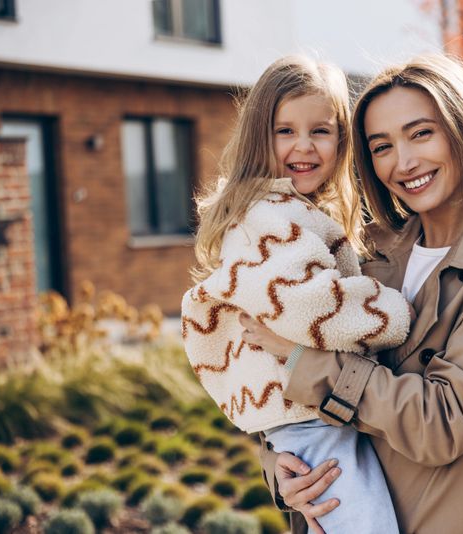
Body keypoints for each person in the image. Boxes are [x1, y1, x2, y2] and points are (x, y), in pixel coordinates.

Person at [241, 54, 463, 534]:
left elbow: (444, 422)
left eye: (421, 134)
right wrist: (281, 469)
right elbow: (287, 400)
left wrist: (302, 362)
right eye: (381, 146)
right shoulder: (363, 250)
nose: (404, 162)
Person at [180, 55, 409, 534]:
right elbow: (308, 307)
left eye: (320, 131)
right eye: (285, 131)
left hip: (316, 416)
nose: (303, 146)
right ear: (259, 136)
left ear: (342, 141)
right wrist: (393, 310)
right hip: (311, 423)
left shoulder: (294, 208)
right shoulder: (268, 216)